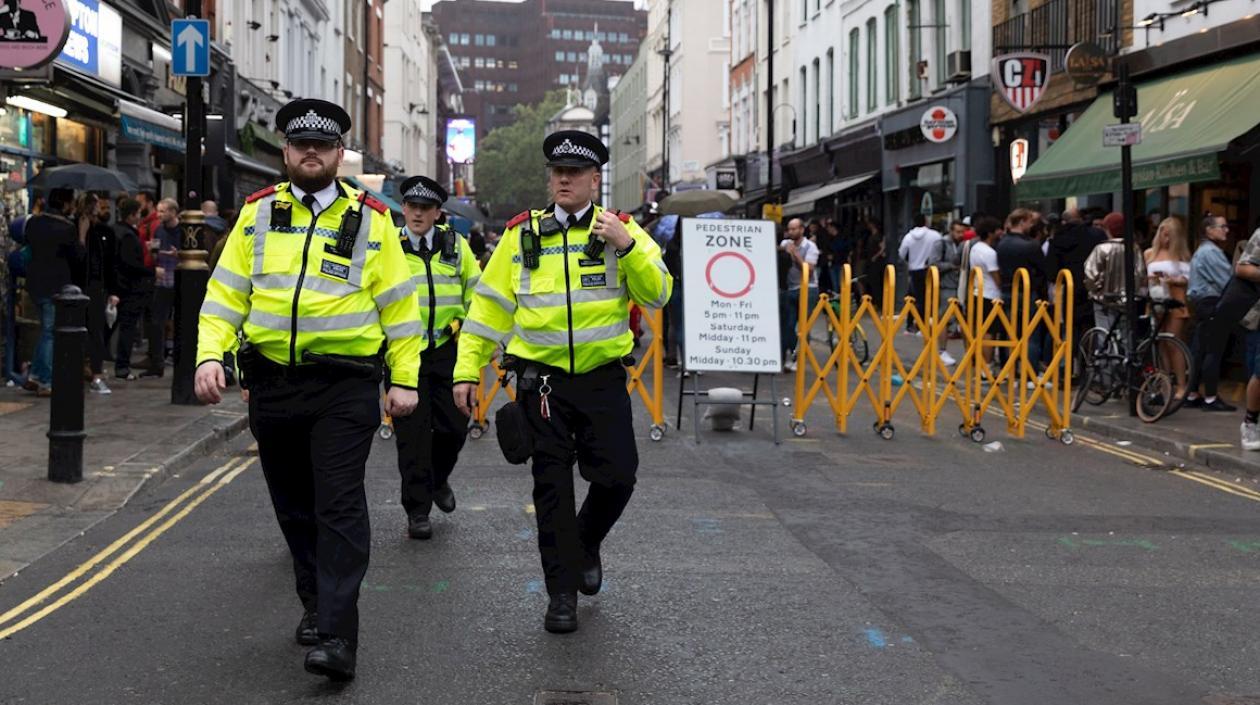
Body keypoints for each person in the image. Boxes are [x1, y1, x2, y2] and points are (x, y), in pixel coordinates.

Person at [194, 98, 421, 681]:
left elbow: (400, 307)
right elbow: (224, 295)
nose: (311, 153)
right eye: (301, 145)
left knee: (338, 502)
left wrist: (405, 379)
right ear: (287, 153)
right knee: (293, 504)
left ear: (339, 154)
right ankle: (316, 603)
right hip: (272, 383)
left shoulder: (372, 217)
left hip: (344, 385)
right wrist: (209, 356)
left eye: (322, 146)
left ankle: (339, 636)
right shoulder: (257, 213)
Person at [451, 129, 670, 635]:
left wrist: (627, 247)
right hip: (541, 385)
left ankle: (585, 542)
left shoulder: (624, 231)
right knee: (551, 490)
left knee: (618, 476)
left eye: (574, 173)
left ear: (596, 179)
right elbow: (486, 309)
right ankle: (562, 594)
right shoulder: (522, 235)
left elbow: (658, 294)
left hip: (601, 381)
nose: (564, 179)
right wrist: (467, 370)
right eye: (557, 172)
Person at [391, 174, 478, 540]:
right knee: (411, 437)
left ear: (438, 213)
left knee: (454, 427)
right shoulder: (389, 247)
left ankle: (438, 478)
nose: (417, 213)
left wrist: (479, 337)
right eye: (412, 206)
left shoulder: (456, 246)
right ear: (404, 209)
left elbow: (477, 295)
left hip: (448, 350)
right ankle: (417, 510)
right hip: (403, 353)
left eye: (425, 208)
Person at [24, 188, 84, 396]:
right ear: (65, 204)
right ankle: (45, 380)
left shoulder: (33, 222)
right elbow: (77, 258)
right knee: (50, 333)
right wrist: (82, 234)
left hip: (34, 282)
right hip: (55, 284)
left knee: (45, 330)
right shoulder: (67, 227)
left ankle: (34, 374)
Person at [1183, 214, 1234, 410]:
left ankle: (1193, 394)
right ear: (1209, 230)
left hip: (1202, 304)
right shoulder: (1211, 252)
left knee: (1200, 350)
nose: (1226, 230)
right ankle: (1211, 398)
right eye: (1222, 226)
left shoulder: (1204, 251)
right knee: (1213, 350)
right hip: (1212, 303)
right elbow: (1227, 282)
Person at [1144, 217, 1194, 404]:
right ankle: (1166, 383)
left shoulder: (1182, 256)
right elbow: (1143, 278)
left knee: (1174, 343)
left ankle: (1182, 385)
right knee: (1161, 344)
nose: (1165, 238)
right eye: (1163, 234)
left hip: (1176, 301)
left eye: (1169, 235)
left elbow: (1188, 280)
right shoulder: (1149, 253)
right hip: (1156, 301)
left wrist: (1172, 279)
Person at [1084, 212, 1146, 334]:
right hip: (1126, 299)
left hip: (1103, 300)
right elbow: (1140, 273)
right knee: (1125, 333)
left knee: (1104, 333)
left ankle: (1107, 352)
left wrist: (1095, 290)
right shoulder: (1134, 248)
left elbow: (1090, 274)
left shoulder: (1101, 249)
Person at [112, 200, 154, 380]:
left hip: (119, 286)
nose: (139, 216)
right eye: (137, 213)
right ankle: (122, 367)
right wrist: (151, 271)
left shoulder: (116, 231)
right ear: (131, 215)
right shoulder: (128, 236)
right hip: (130, 288)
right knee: (128, 328)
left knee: (114, 326)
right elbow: (130, 264)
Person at [82, 194, 117, 394]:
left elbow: (110, 263)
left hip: (96, 288)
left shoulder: (104, 232)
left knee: (96, 330)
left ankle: (95, 372)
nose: (100, 210)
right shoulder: (78, 230)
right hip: (78, 287)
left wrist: (112, 291)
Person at [142, 198, 181, 377]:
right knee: (157, 322)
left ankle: (180, 360)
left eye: (163, 211)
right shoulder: (158, 229)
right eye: (158, 211)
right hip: (162, 280)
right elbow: (156, 253)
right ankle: (157, 362)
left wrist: (178, 254)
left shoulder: (183, 230)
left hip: (178, 281)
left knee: (180, 323)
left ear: (173, 212)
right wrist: (152, 251)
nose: (159, 215)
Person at [779, 217, 819, 371]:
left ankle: (798, 358)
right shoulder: (785, 244)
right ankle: (791, 354)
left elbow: (808, 270)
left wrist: (795, 254)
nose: (791, 232)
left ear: (802, 230)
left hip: (807, 288)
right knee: (788, 325)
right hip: (790, 288)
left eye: (794, 229)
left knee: (803, 326)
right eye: (789, 229)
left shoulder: (810, 247)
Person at [897, 214, 943, 334]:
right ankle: (923, 325)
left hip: (914, 270)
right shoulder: (935, 235)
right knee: (928, 298)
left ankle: (911, 324)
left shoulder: (908, 237)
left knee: (913, 297)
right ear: (926, 221)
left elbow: (902, 253)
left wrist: (910, 260)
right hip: (930, 270)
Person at [968, 217, 1003, 365]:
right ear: (990, 233)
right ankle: (986, 365)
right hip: (991, 294)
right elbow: (996, 277)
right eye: (998, 230)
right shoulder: (990, 253)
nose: (1001, 232)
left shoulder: (975, 248)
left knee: (981, 330)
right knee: (990, 333)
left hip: (978, 292)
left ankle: (980, 363)